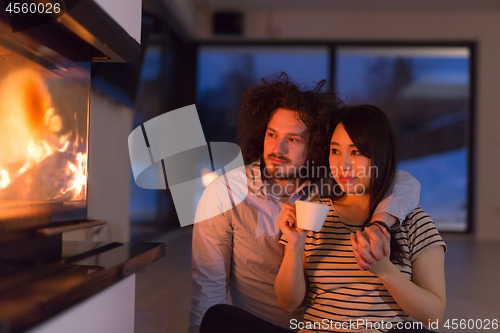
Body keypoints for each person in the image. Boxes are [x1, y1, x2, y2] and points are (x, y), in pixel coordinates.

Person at [189, 75, 421, 333]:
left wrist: (379, 224)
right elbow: (207, 287)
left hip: (327, 325)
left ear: (316, 145)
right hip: (262, 327)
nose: (278, 149)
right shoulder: (226, 192)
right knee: (218, 319)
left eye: (294, 139)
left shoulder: (330, 182)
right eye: (272, 134)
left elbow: (402, 180)